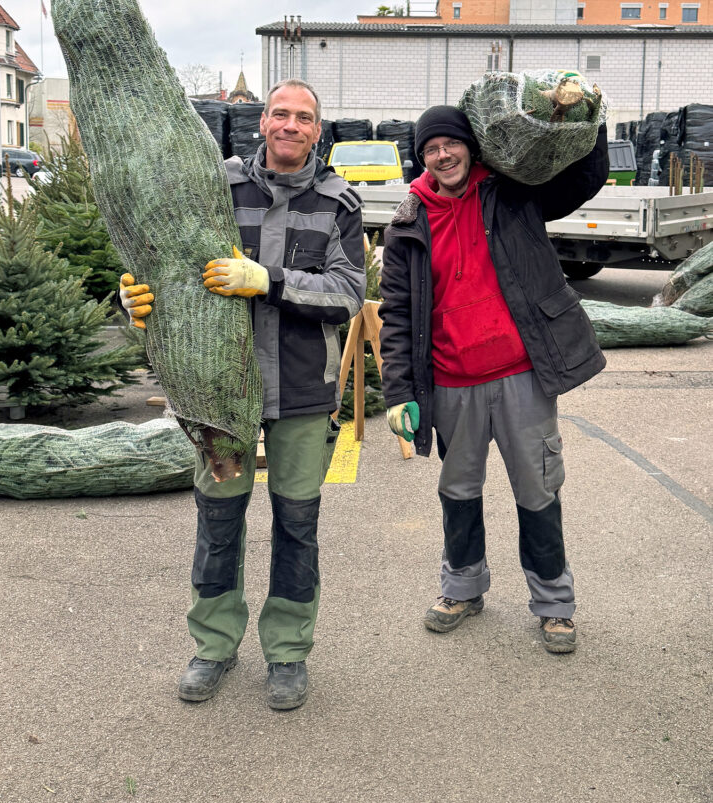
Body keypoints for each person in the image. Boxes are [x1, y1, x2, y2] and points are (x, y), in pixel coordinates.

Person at [120, 78, 366, 707]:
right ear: (262, 121)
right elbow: (170, 264)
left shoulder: (339, 201)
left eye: (303, 117)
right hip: (219, 393)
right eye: (280, 113)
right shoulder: (218, 186)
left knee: (297, 523)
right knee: (219, 518)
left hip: (302, 391)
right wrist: (135, 301)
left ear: (317, 130)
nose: (290, 125)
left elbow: (347, 294)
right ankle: (213, 644)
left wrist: (269, 281)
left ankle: (287, 651)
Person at [378, 104, 608, 654]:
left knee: (538, 489)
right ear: (422, 158)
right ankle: (462, 588)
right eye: (431, 149)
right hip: (452, 382)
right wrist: (399, 393)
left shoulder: (514, 194)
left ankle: (554, 604)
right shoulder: (407, 225)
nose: (443, 155)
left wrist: (589, 119)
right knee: (458, 491)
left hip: (521, 376)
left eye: (451, 144)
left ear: (471, 147)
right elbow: (396, 316)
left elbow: (582, 178)